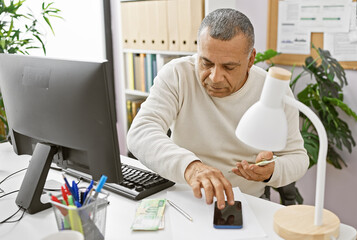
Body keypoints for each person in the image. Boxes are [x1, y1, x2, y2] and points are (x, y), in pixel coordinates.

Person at [127, 8, 308, 210]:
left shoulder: (273, 92)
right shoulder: (177, 74)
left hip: (244, 202)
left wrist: (272, 171)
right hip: (183, 198)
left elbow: (298, 158)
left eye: (229, 67)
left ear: (250, 60)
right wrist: (191, 167)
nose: (215, 77)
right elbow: (140, 132)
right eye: (206, 63)